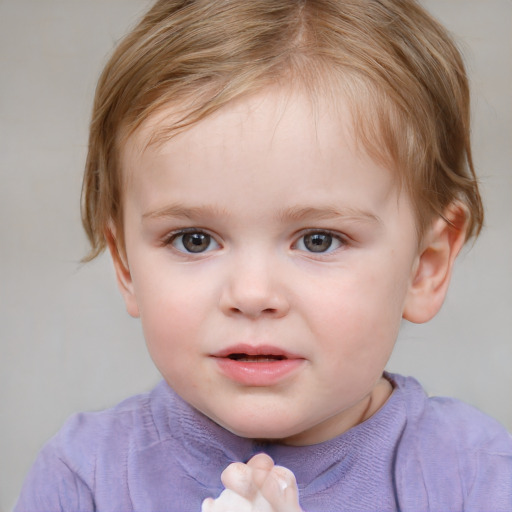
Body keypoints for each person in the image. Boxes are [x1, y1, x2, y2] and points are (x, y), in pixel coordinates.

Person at [14, 0, 512, 510]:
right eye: (194, 239)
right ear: (125, 266)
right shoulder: (85, 480)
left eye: (318, 239)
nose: (251, 295)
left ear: (424, 267)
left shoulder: (475, 480)